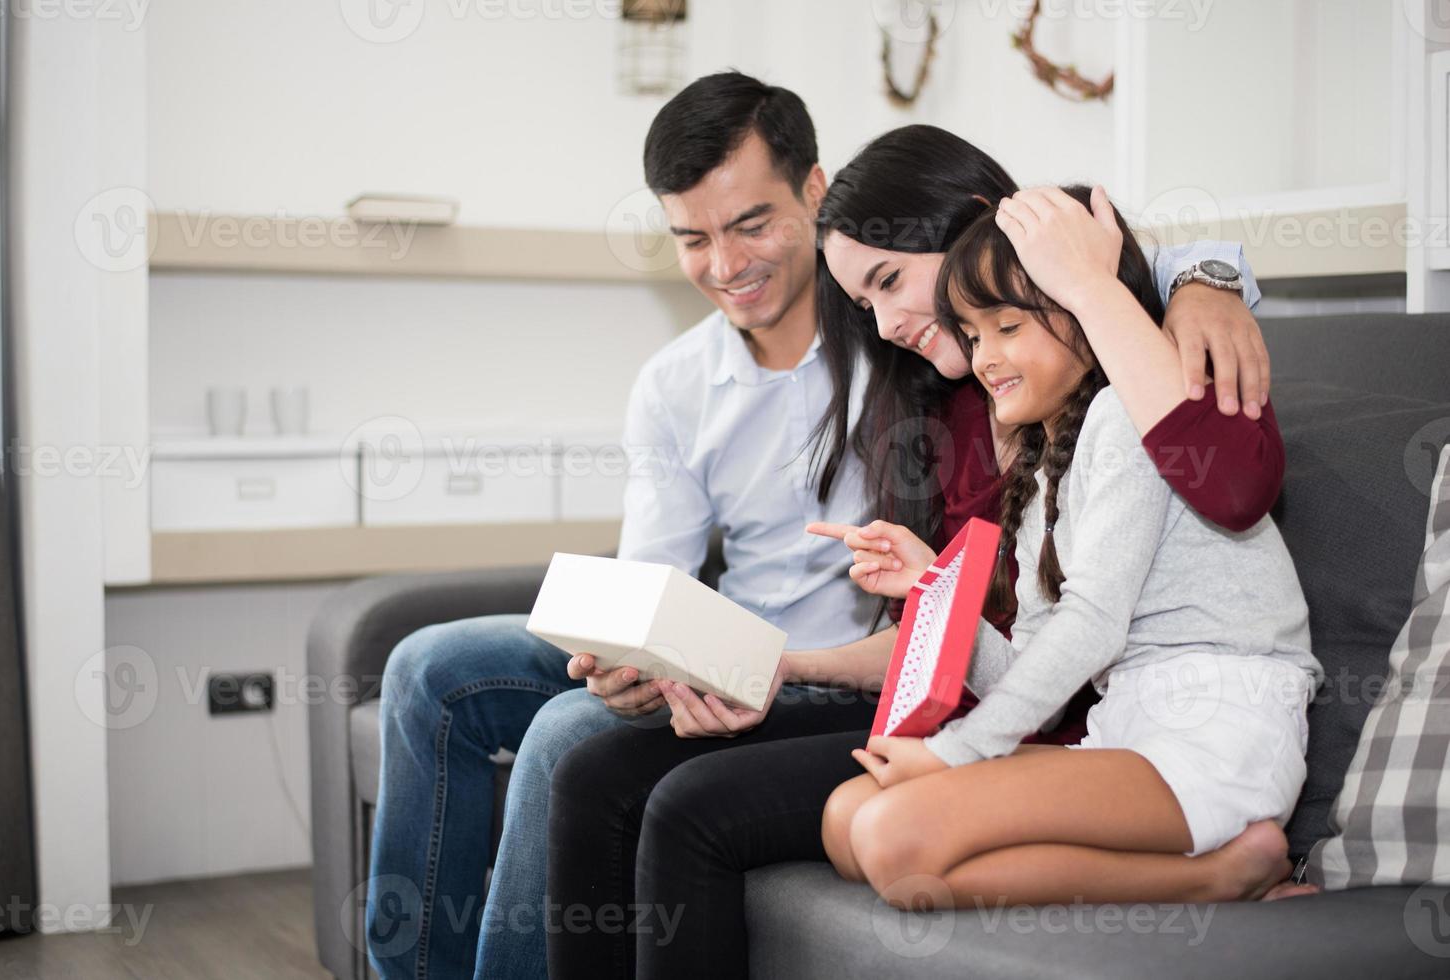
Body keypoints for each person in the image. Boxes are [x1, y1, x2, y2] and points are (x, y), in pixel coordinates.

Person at [543, 126, 1287, 980]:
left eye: (891, 282)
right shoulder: (947, 409)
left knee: (692, 808)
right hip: (1009, 703)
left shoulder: (1097, 381)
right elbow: (953, 637)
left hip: (1091, 728)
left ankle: (1215, 877)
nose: (888, 325)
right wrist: (773, 668)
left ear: (978, 229)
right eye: (863, 305)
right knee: (593, 763)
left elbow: (1205, 490)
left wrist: (1206, 275)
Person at [365, 72, 882, 980]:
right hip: (718, 642)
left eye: (751, 224)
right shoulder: (676, 383)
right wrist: (628, 653)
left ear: (814, 190)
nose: (725, 266)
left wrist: (1204, 280)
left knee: (568, 735)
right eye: (692, 238)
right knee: (425, 669)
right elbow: (654, 576)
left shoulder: (905, 337)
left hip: (826, 681)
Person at [819, 184, 1322, 912]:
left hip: (1216, 729)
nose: (985, 356)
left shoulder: (1129, 413)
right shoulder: (1042, 467)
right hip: (1129, 730)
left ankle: (1219, 875)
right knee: (844, 822)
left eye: (1008, 327)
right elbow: (1021, 670)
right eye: (973, 333)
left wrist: (957, 753)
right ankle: (1215, 872)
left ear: (1086, 318)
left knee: (895, 842)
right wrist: (937, 587)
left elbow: (1094, 624)